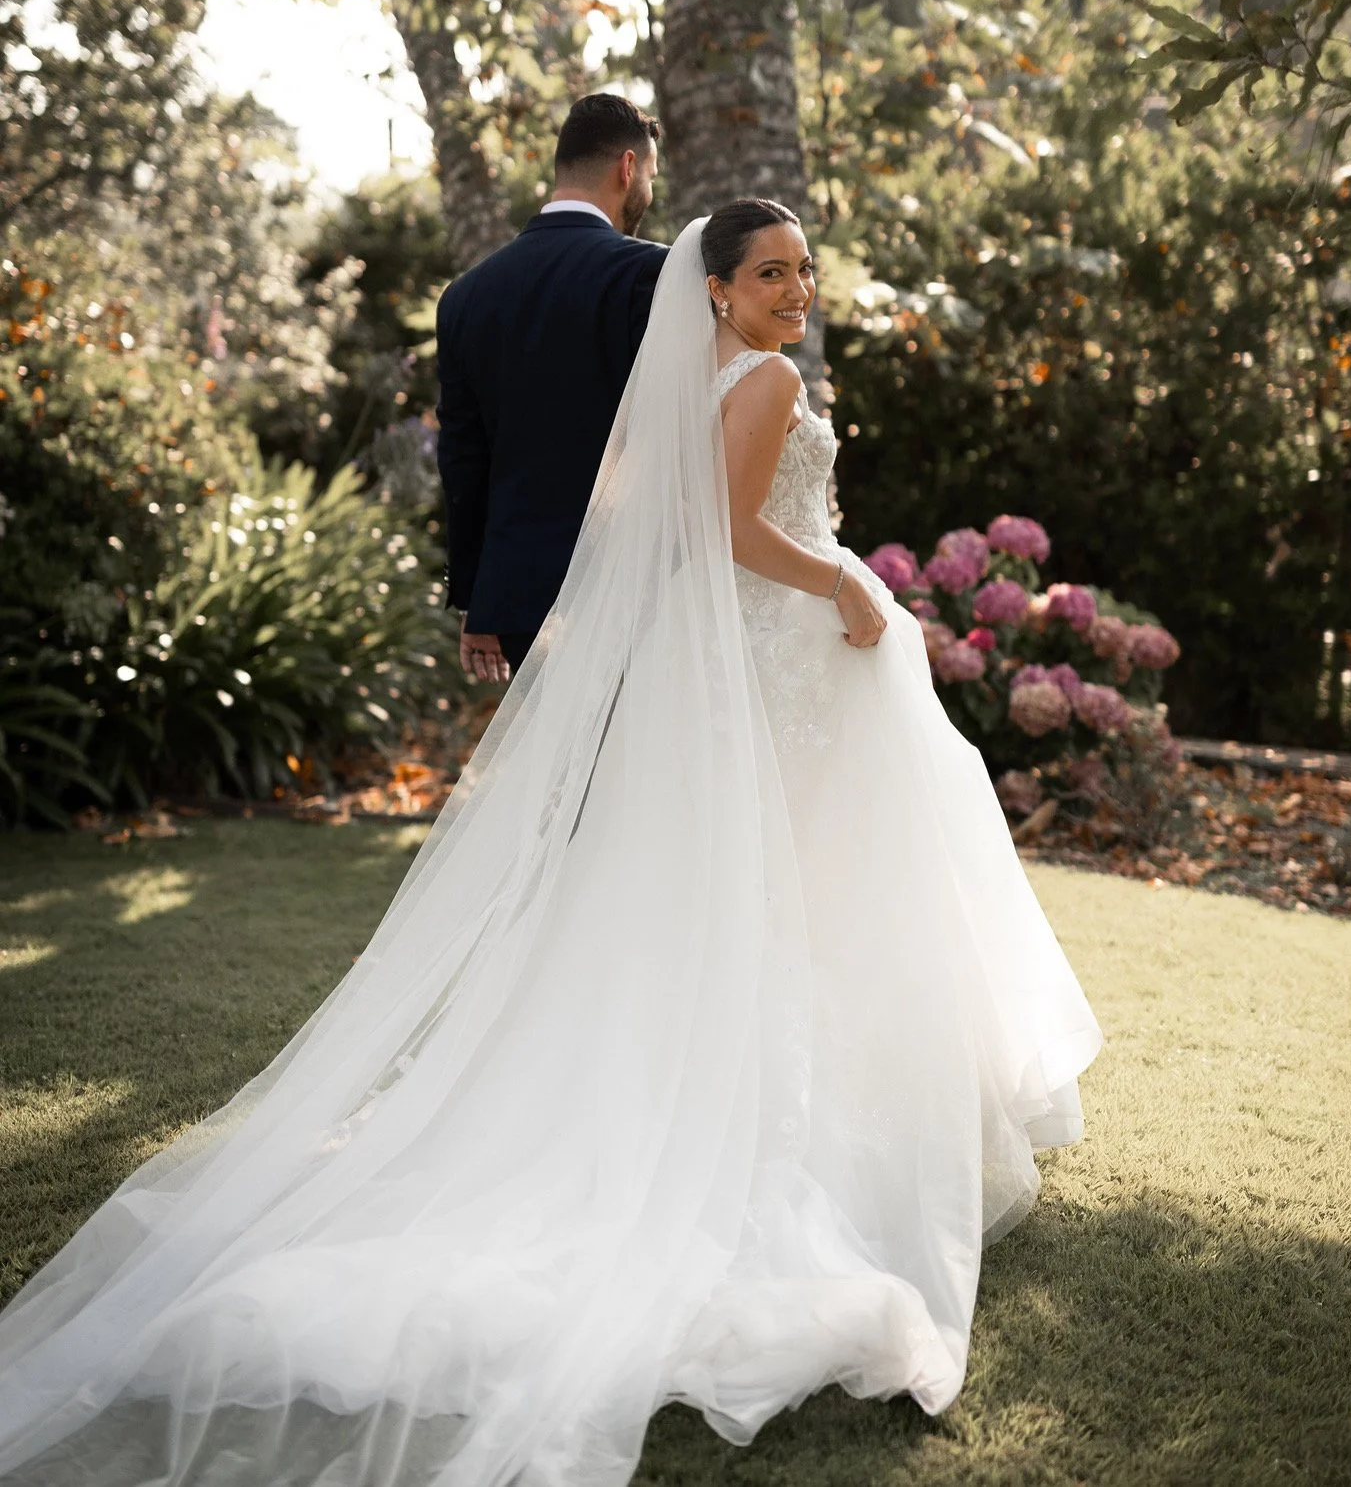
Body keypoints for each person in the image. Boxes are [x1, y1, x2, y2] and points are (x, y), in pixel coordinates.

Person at [0, 204, 1101, 1487]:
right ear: (715, 290)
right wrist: (848, 584)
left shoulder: (696, 382)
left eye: (803, 269)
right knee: (798, 894)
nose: (795, 289)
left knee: (769, 896)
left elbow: (650, 508)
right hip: (787, 648)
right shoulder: (763, 380)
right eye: (768, 272)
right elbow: (743, 533)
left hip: (754, 660)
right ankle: (794, 1130)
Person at [436, 91, 666, 686]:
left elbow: (463, 462)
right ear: (628, 167)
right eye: (651, 176)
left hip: (520, 600)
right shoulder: (649, 273)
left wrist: (477, 601)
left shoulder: (465, 295)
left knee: (559, 779)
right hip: (638, 586)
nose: (649, 193)